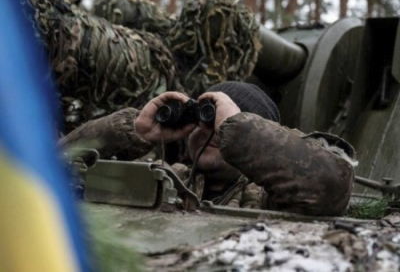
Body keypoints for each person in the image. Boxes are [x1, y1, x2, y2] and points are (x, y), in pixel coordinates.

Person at [60, 81, 356, 216]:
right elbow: (49, 169)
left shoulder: (272, 200)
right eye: (206, 119)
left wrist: (235, 127)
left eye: (221, 123)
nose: (210, 131)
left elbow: (332, 185)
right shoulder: (161, 180)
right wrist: (131, 132)